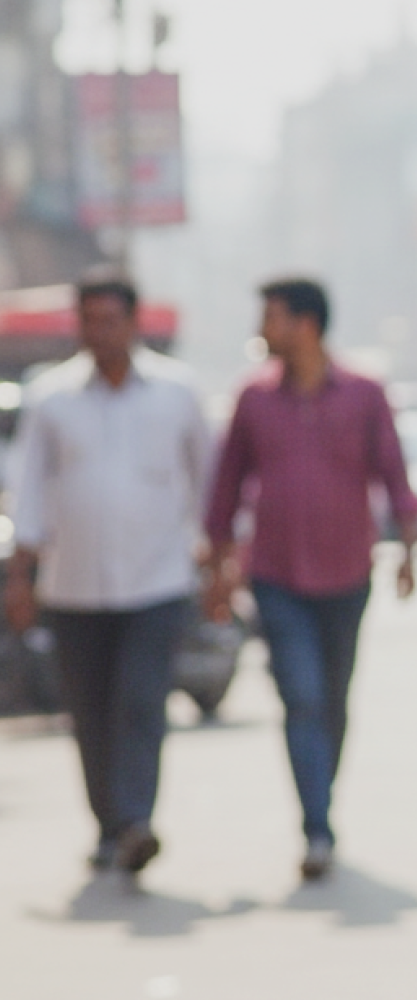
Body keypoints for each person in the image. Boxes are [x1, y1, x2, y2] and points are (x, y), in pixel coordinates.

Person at [203, 277, 417, 880]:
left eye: (270, 317)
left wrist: (408, 551)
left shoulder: (364, 393)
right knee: (300, 697)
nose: (261, 329)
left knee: (332, 699)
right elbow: (225, 487)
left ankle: (320, 801)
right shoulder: (252, 398)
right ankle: (317, 828)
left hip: (348, 572)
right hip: (274, 576)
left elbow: (395, 476)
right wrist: (218, 565)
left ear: (305, 324)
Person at [4, 275, 211, 874]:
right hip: (74, 587)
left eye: (110, 320)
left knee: (142, 701)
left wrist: (219, 558)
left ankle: (136, 820)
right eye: (89, 320)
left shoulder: (177, 393)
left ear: (133, 322)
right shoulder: (52, 397)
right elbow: (31, 493)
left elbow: (208, 479)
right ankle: (110, 825)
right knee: (90, 710)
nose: (100, 332)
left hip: (158, 582)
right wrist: (22, 576)